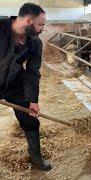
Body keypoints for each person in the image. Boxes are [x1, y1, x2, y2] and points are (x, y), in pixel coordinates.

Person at [0, 3, 52, 171]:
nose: (43, 28)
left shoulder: (35, 43)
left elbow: (32, 71)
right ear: (29, 20)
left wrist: (32, 100)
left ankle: (36, 159)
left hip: (15, 84)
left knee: (30, 120)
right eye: (41, 24)